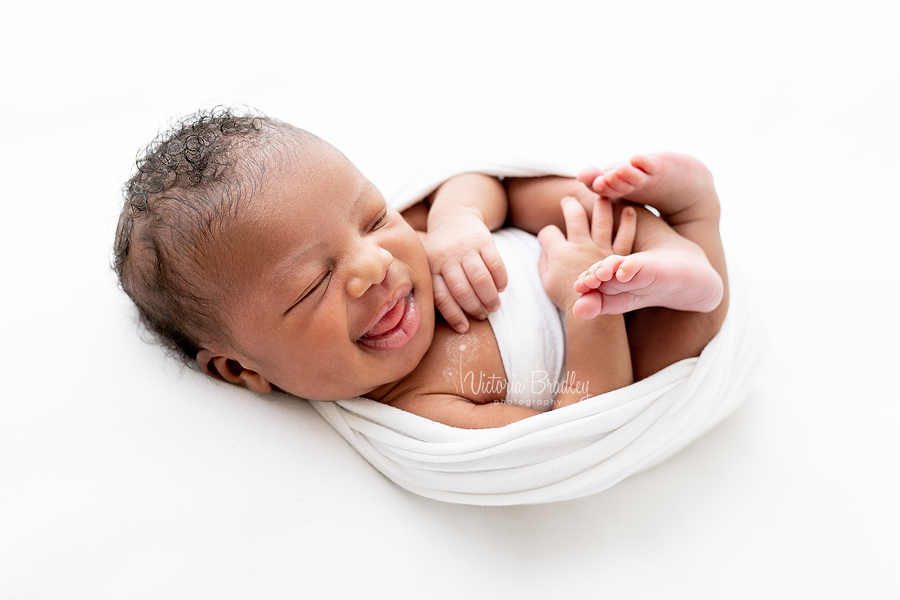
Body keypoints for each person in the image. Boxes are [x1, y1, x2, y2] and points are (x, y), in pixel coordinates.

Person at [114, 109, 727, 429]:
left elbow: (478, 180)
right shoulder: (422, 403)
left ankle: (675, 238)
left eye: (373, 218)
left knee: (539, 194)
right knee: (680, 342)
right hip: (615, 338)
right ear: (239, 367)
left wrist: (459, 220)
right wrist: (587, 308)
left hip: (562, 242)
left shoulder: (413, 240)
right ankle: (697, 225)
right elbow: (583, 421)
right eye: (312, 285)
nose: (372, 266)